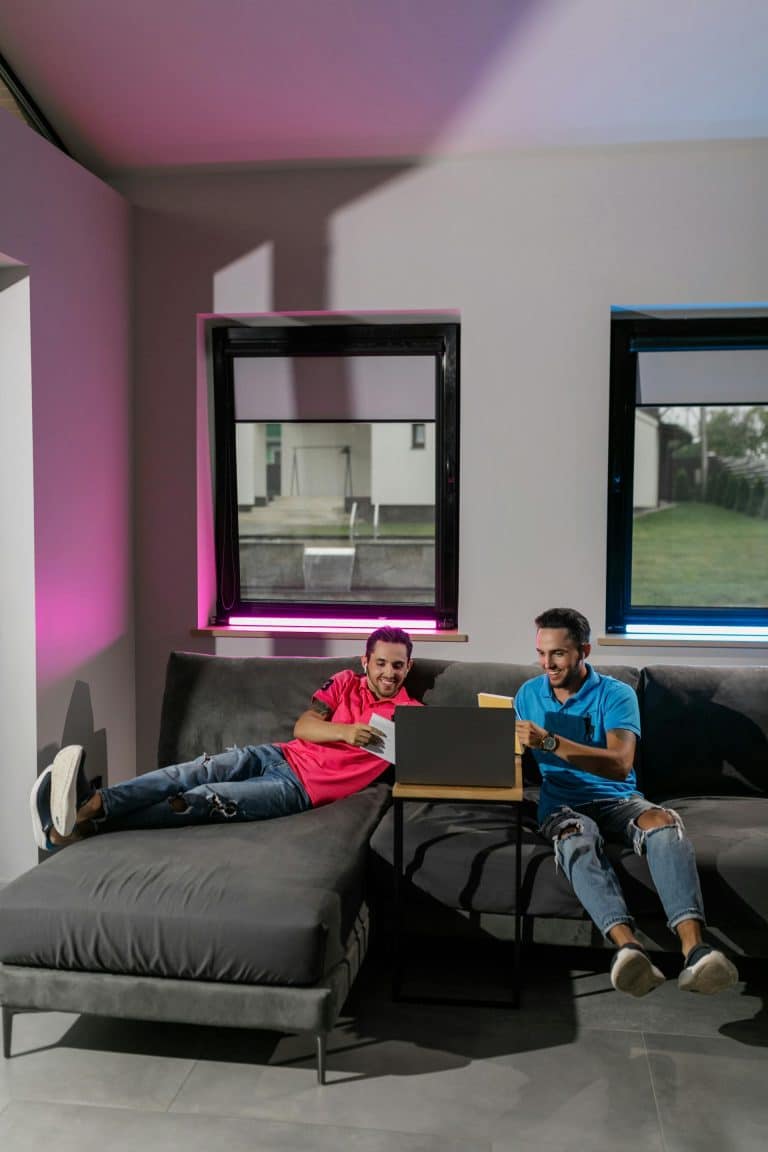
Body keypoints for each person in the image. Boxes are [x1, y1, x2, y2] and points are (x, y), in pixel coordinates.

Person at [514, 607, 738, 997]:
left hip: (616, 798)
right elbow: (513, 758)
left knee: (664, 824)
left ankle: (695, 951)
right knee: (575, 839)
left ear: (583, 650)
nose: (547, 663)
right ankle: (628, 949)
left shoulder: (617, 695)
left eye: (558, 654)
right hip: (562, 804)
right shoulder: (527, 695)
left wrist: (548, 741)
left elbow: (620, 764)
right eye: (541, 653)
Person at [31, 626, 420, 850]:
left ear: (409, 667)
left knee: (202, 799)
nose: (389, 673)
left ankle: (78, 825)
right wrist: (348, 732)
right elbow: (304, 726)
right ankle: (93, 803)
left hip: (297, 790)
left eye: (398, 665)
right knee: (188, 773)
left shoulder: (410, 716)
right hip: (277, 754)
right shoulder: (344, 682)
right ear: (365, 660)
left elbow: (431, 760)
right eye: (381, 663)